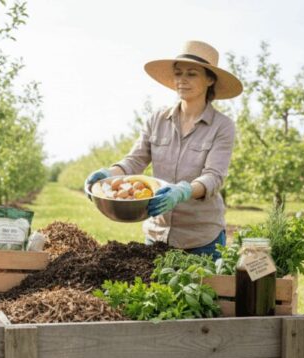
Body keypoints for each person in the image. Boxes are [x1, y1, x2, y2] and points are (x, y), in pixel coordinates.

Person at [85, 41, 243, 260]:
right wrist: (107, 174)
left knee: (203, 284)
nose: (182, 80)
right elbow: (135, 161)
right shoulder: (157, 119)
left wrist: (183, 191)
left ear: (210, 79)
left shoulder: (222, 126)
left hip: (201, 239)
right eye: (178, 73)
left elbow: (214, 176)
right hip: (157, 235)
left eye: (191, 74)